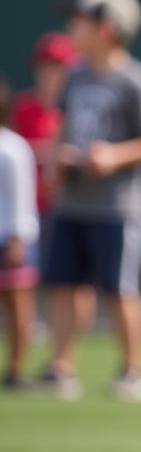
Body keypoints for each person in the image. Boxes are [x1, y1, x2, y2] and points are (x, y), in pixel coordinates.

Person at [38, 0, 141, 401]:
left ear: (108, 30)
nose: (71, 28)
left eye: (80, 21)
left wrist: (113, 156)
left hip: (116, 206)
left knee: (118, 288)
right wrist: (56, 161)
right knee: (63, 284)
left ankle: (133, 370)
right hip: (73, 200)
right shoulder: (74, 73)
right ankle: (61, 366)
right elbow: (62, 123)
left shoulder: (135, 80)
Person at [12, 32, 96, 341]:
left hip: (69, 208)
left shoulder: (80, 109)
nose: (52, 73)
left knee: (76, 282)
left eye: (59, 66)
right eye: (46, 66)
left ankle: (73, 337)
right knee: (27, 277)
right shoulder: (22, 107)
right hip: (27, 211)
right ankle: (33, 329)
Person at [0, 80, 40, 389]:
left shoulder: (12, 147)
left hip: (9, 239)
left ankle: (16, 369)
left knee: (17, 307)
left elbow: (23, 195)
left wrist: (19, 238)